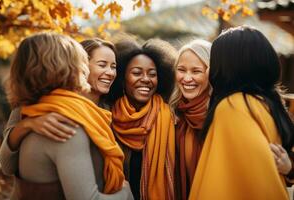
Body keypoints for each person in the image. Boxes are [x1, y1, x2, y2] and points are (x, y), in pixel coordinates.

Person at [0, 34, 132, 200]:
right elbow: (7, 166)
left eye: (114, 66)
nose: (110, 72)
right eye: (101, 64)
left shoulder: (106, 110)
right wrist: (126, 193)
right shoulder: (46, 115)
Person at [188, 26, 294, 200]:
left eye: (212, 62)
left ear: (227, 66)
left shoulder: (233, 106)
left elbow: (251, 181)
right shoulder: (266, 103)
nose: (208, 70)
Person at [109, 37, 177, 200]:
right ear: (122, 78)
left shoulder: (173, 117)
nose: (146, 79)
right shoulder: (106, 115)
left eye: (152, 74)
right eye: (137, 73)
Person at [168, 39, 211, 200]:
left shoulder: (221, 114)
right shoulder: (174, 113)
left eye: (196, 71)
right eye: (181, 70)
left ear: (210, 73)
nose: (186, 78)